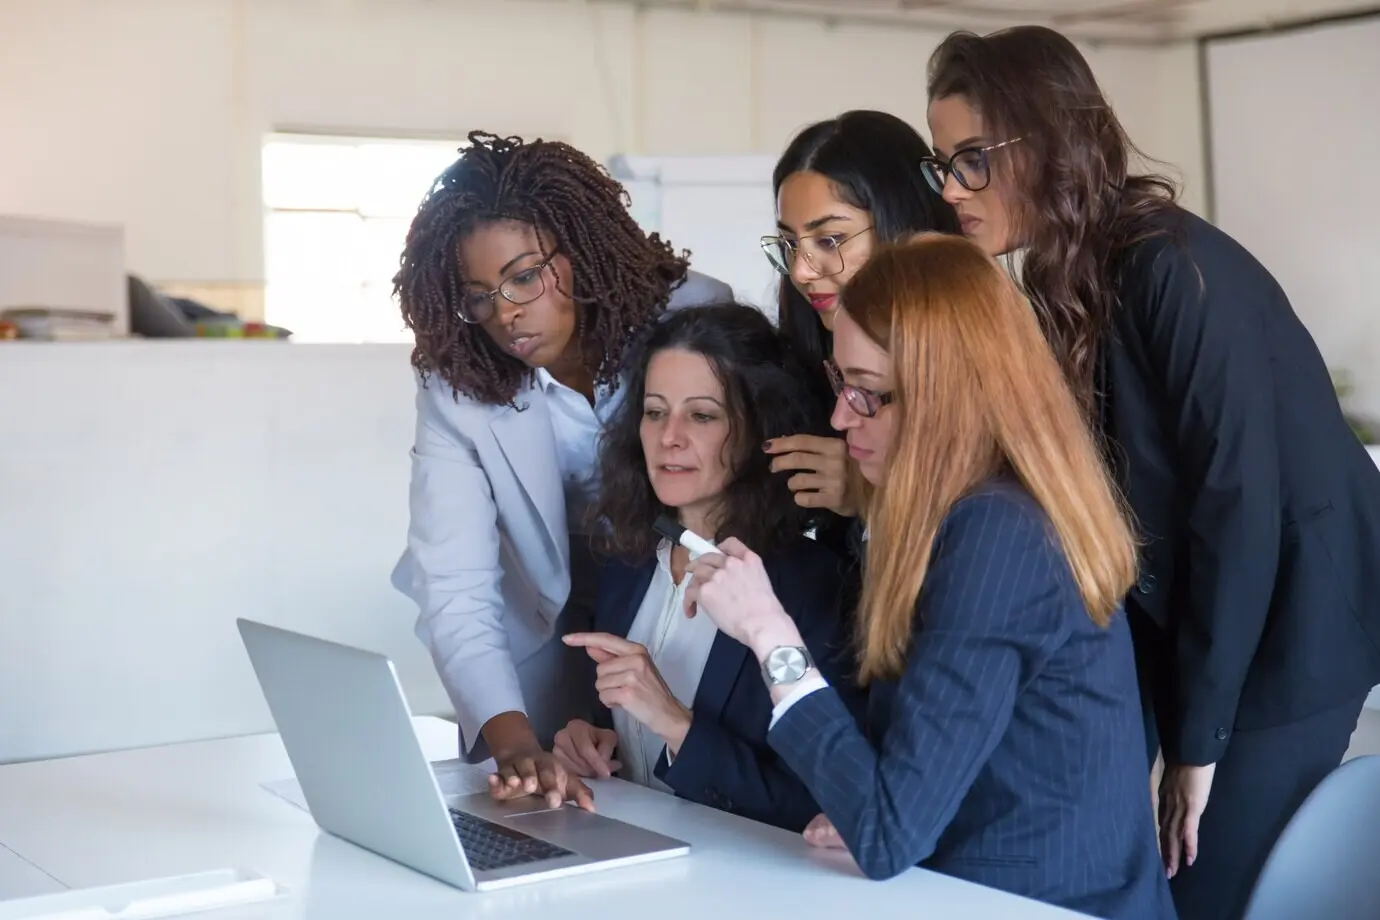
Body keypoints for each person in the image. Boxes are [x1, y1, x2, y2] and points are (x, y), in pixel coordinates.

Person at [924, 25, 1380, 920]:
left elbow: (1237, 511)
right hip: (1213, 625)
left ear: (1046, 141)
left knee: (1201, 886)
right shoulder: (1068, 276)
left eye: (972, 160)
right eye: (941, 162)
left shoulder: (1168, 266)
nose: (950, 188)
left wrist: (1196, 745)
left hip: (1298, 633)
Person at [683, 234, 1176, 920]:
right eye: (841, 381)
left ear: (950, 398)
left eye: (870, 396)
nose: (838, 417)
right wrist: (869, 810)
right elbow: (911, 787)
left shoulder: (996, 536)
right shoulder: (961, 517)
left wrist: (770, 635)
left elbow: (888, 833)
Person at [389, 131, 732, 811]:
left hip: (678, 605)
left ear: (582, 249)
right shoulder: (458, 378)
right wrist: (513, 740)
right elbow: (454, 579)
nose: (505, 314)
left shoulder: (695, 316)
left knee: (683, 795)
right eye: (478, 295)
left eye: (523, 276)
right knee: (552, 810)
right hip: (543, 627)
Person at [553, 303, 854, 832]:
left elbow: (818, 805)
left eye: (702, 415)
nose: (670, 436)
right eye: (654, 411)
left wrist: (675, 724)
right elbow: (624, 731)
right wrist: (593, 740)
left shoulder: (813, 585)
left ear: (760, 427)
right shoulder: (625, 562)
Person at [761, 110, 961, 545]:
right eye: (790, 244)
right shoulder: (799, 355)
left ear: (900, 225)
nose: (800, 272)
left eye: (829, 240)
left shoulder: (973, 366)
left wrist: (870, 495)